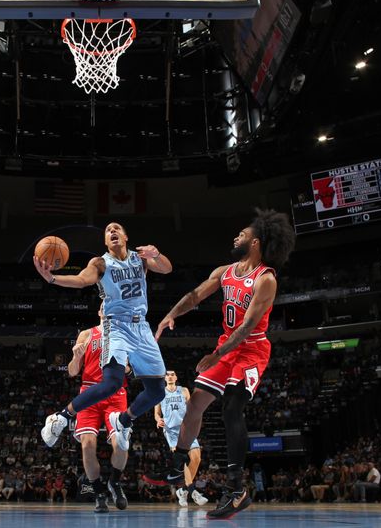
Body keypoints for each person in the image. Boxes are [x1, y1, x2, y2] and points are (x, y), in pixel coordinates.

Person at [145, 209, 295, 520]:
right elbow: (195, 295)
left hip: (251, 351)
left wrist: (216, 355)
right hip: (226, 349)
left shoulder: (265, 279)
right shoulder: (226, 271)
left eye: (241, 234)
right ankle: (177, 466)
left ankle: (236, 490)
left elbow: (249, 326)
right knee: (195, 405)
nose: (235, 238)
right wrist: (172, 314)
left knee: (231, 408)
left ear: (255, 242)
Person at [36, 222, 171, 455]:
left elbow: (167, 269)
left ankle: (124, 421)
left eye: (117, 228)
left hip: (142, 328)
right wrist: (53, 279)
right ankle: (61, 417)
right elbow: (81, 280)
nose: (112, 231)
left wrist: (156, 254)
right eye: (108, 231)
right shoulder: (100, 263)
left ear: (126, 236)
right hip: (116, 325)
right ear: (106, 242)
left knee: (158, 391)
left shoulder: (140, 258)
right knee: (112, 382)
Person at [68, 309, 130, 513]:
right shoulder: (86, 334)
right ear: (100, 311)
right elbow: (72, 371)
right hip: (90, 391)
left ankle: (114, 482)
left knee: (120, 444)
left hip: (115, 392)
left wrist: (127, 366)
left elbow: (130, 368)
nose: (108, 308)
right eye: (105, 305)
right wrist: (77, 357)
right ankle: (98, 493)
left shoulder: (124, 332)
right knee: (87, 445)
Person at [154, 370, 207, 507]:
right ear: (164, 378)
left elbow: (191, 408)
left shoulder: (183, 390)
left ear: (176, 377)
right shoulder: (159, 393)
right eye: (167, 374)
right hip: (171, 430)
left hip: (186, 427)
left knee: (196, 459)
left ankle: (182, 491)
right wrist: (158, 420)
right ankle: (193, 491)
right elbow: (156, 413)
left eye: (172, 374)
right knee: (183, 459)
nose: (170, 376)